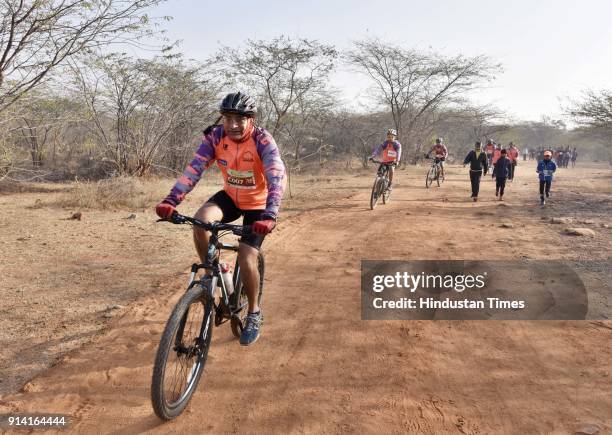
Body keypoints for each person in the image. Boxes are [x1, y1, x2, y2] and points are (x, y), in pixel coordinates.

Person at [155, 92, 286, 346]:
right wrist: (171, 200)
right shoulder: (216, 137)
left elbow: (276, 178)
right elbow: (194, 169)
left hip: (258, 205)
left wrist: (270, 214)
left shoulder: (262, 140)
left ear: (251, 119)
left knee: (247, 256)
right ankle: (213, 271)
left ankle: (254, 313)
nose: (233, 125)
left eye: (240, 119)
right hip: (231, 198)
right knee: (201, 220)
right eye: (227, 118)